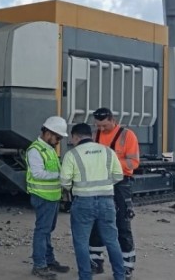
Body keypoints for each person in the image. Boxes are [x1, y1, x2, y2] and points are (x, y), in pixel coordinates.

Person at [60, 123, 126, 280]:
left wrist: (74, 186)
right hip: (107, 202)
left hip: (83, 203)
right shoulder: (108, 152)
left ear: (76, 136)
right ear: (90, 135)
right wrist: (104, 185)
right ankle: (120, 276)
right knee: (112, 241)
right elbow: (118, 176)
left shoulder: (72, 154)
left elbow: (64, 181)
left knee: (81, 242)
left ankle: (85, 276)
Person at [89, 107, 139, 279]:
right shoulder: (95, 136)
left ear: (112, 119)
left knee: (122, 223)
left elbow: (133, 162)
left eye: (104, 126)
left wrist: (110, 163)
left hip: (120, 184)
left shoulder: (127, 136)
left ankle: (127, 266)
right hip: (99, 182)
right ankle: (95, 261)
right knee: (96, 221)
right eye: (98, 126)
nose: (101, 130)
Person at [25, 116, 71, 279]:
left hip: (51, 197)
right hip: (42, 196)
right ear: (47, 132)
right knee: (42, 231)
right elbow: (38, 173)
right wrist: (61, 176)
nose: (58, 140)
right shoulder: (35, 150)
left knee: (47, 231)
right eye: (57, 137)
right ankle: (39, 265)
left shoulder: (48, 148)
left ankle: (48, 260)